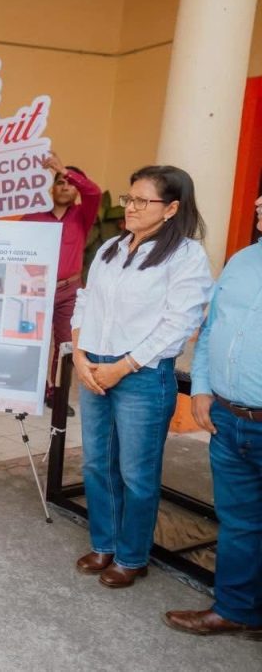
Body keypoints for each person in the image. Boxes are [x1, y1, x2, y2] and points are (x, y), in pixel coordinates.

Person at [71, 165, 212, 588]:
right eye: (129, 198)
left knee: (136, 472)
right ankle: (104, 543)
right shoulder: (111, 247)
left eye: (141, 201)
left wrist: (124, 366)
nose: (130, 207)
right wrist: (79, 353)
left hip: (142, 375)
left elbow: (179, 324)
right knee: (97, 463)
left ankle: (131, 556)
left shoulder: (186, 256)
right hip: (95, 365)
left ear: (171, 208)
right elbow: (86, 300)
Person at [163, 195, 262, 637]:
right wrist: (201, 387)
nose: (258, 201)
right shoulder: (242, 261)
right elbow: (211, 330)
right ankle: (236, 609)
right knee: (239, 522)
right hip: (228, 419)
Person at [21, 152, 102, 417]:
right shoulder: (33, 217)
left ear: (76, 189)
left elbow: (94, 193)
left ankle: (57, 394)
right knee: (33, 339)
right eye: (59, 182)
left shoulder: (82, 216)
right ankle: (36, 389)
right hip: (36, 288)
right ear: (52, 188)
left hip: (69, 290)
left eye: (69, 183)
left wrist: (64, 170)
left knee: (66, 344)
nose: (65, 186)